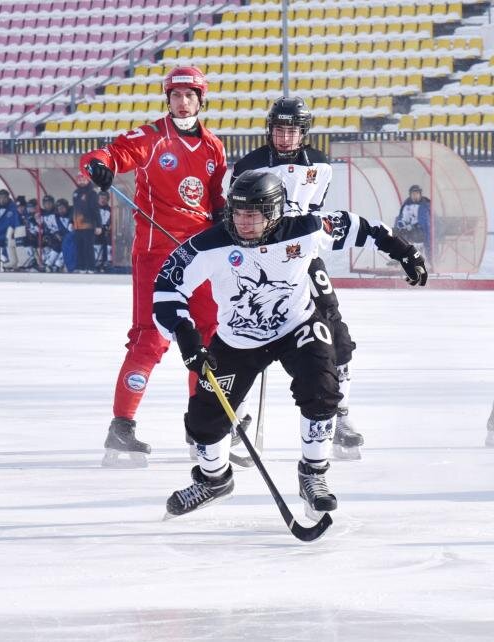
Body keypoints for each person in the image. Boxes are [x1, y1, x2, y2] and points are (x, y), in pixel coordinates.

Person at [153, 170, 427, 519]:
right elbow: (166, 287)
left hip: (296, 326)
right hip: (237, 340)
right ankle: (214, 480)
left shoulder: (307, 229)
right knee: (205, 418)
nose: (243, 222)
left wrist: (404, 252)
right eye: (237, 213)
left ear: (274, 212)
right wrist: (184, 334)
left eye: (253, 214)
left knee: (322, 388)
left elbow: (362, 227)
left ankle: (313, 475)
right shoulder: (209, 244)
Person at [80, 64, 228, 467]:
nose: (182, 102)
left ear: (201, 99)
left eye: (189, 95)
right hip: (156, 254)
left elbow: (216, 202)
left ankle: (203, 425)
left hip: (200, 257)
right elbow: (110, 154)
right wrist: (98, 164)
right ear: (168, 99)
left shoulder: (214, 146)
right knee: (151, 338)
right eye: (175, 95)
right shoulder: (149, 137)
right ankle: (122, 426)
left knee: (209, 337)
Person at [229, 96, 361, 459]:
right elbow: (233, 214)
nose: (285, 138)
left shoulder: (320, 164)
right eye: (279, 130)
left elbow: (314, 214)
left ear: (303, 133)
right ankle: (231, 418)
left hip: (304, 258)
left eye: (292, 131)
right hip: (260, 263)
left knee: (337, 331)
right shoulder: (248, 166)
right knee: (246, 335)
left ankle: (341, 417)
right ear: (268, 129)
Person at [72, 171, 101, 273]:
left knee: (88, 247)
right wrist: (72, 222)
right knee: (79, 247)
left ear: (88, 179)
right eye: (79, 179)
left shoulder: (92, 193)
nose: (81, 181)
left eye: (83, 179)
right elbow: (74, 209)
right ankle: (81, 267)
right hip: (78, 226)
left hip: (89, 225)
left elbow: (96, 210)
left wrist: (99, 225)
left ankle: (91, 267)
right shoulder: (75, 193)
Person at [394, 184, 432, 260]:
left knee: (415, 235)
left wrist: (414, 226)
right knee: (397, 234)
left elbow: (425, 221)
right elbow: (404, 217)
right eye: (413, 194)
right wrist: (401, 224)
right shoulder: (407, 205)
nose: (415, 196)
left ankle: (417, 257)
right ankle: (399, 256)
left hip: (422, 230)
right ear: (410, 195)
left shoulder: (425, 205)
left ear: (420, 194)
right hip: (410, 229)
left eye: (417, 194)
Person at [95, 190, 112, 272]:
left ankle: (108, 261)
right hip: (97, 231)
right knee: (97, 242)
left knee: (109, 241)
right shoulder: (94, 209)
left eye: (105, 198)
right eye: (101, 198)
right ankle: (97, 262)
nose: (103, 200)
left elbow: (112, 221)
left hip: (106, 231)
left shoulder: (111, 210)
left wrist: (109, 228)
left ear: (108, 199)